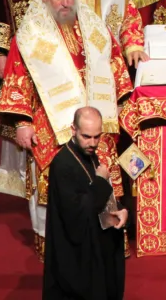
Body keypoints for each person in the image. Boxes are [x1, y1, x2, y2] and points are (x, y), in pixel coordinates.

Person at [0, 0, 136, 260]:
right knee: (58, 186)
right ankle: (59, 247)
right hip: (53, 125)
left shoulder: (93, 25)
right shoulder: (30, 35)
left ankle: (106, 236)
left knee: (103, 176)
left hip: (97, 120)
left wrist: (122, 105)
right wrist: (22, 122)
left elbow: (115, 63)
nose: (65, 2)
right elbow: (17, 79)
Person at [43, 107, 127, 300]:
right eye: (87, 136)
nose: (92, 143)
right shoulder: (63, 164)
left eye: (97, 137)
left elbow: (100, 200)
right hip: (75, 256)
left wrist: (121, 211)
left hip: (93, 248)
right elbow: (78, 212)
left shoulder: (88, 154)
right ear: (73, 129)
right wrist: (101, 181)